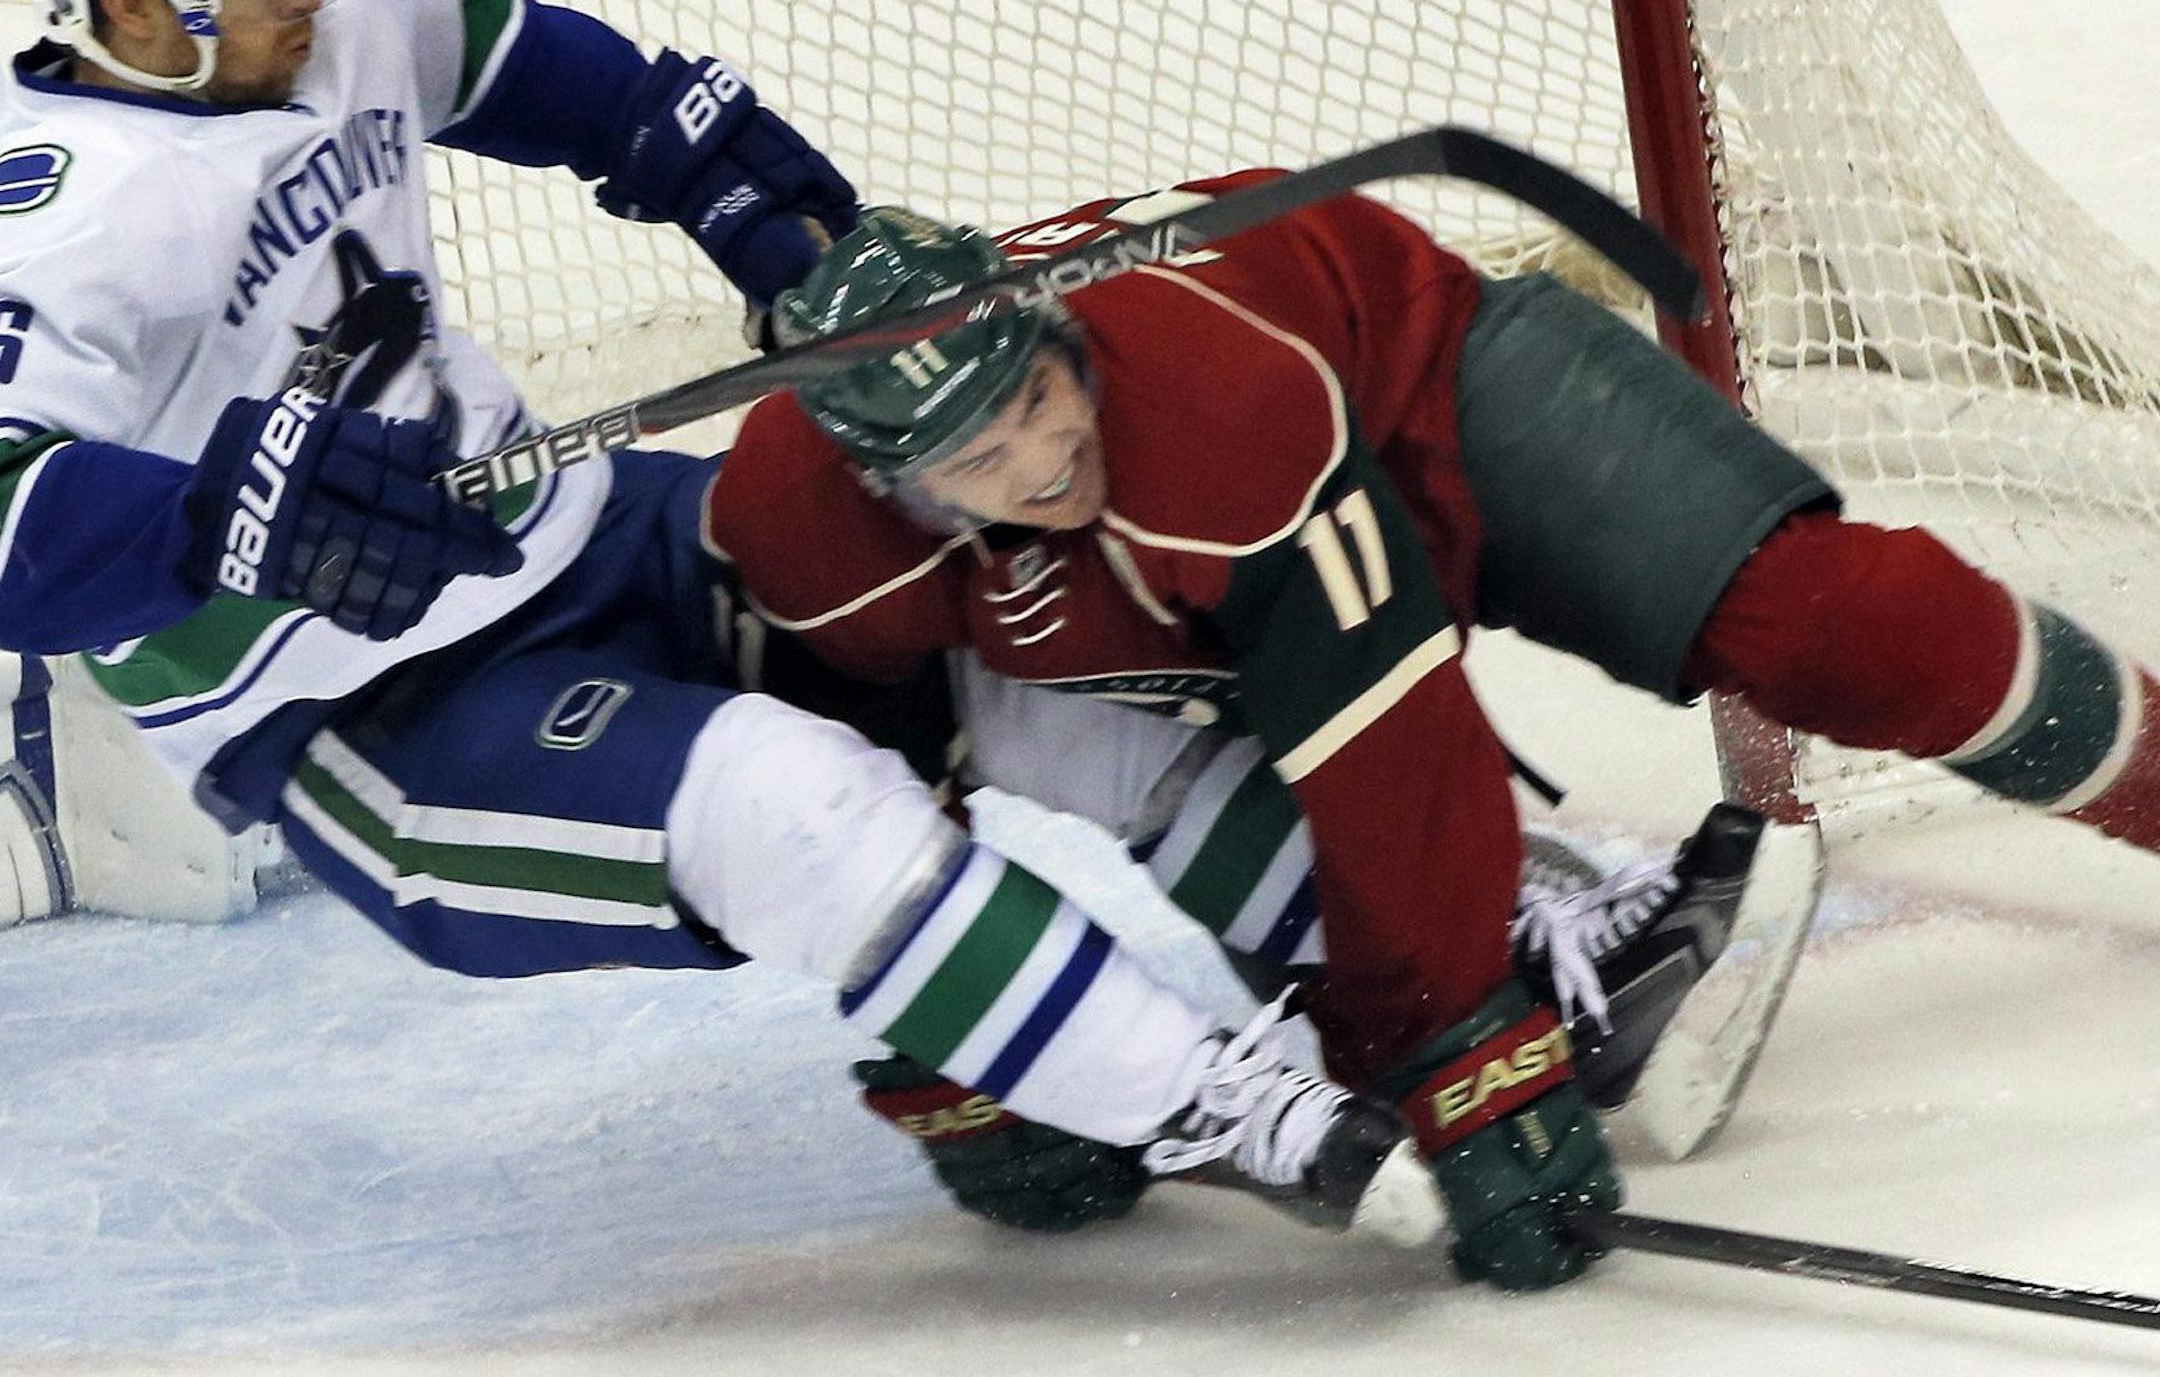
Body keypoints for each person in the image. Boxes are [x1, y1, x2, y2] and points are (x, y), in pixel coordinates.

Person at [0, 0, 1459, 1249]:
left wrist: (718, 184)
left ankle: (1469, 955)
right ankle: (1235, 1111)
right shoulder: (56, 216)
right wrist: (228, 521)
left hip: (575, 524)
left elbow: (571, 86)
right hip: (352, 715)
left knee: (1000, 645)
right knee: (793, 807)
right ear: (131, 6)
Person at [704, 182, 2160, 1287]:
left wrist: (1466, 1056)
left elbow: (1386, 740)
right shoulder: (802, 532)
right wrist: (956, 1047)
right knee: (1337, 982)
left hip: (1425, 386)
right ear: (888, 481)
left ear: (1057, 330)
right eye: (981, 454)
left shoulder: (1214, 406)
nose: (1043, 456)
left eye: (1041, 393)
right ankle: (1554, 947)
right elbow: (856, 808)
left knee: (1840, 624)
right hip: (1178, 587)